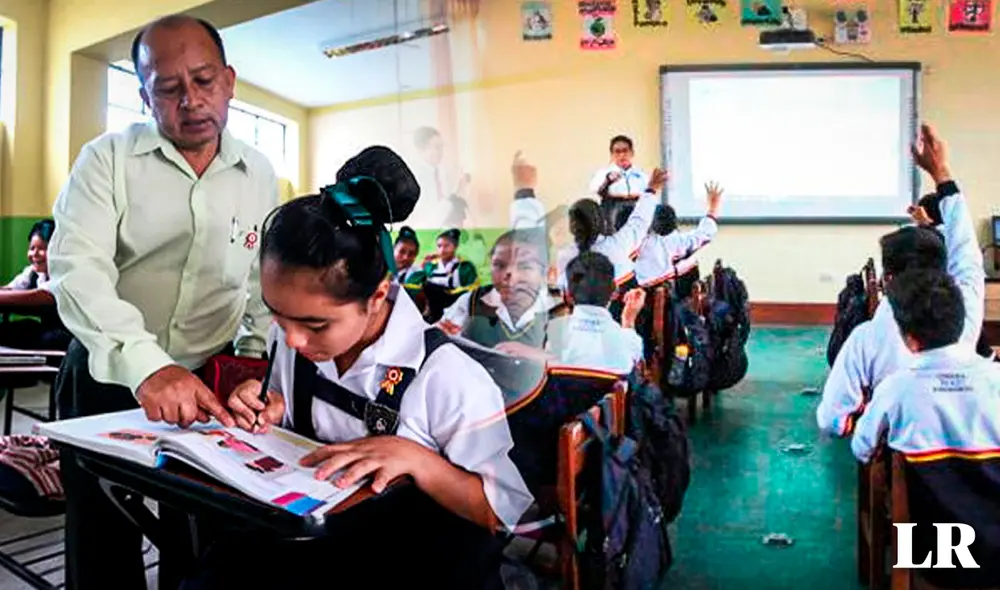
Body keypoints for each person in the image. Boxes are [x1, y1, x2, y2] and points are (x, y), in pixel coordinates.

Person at [188, 146, 532, 588]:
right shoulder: (294, 342)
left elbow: (499, 511)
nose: (291, 339)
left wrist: (418, 460)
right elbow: (288, 417)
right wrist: (268, 407)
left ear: (378, 296)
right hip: (321, 543)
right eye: (278, 314)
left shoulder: (446, 376)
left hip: (418, 564)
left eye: (315, 323)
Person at [46, 15, 278, 589]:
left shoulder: (259, 172)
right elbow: (78, 270)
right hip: (107, 374)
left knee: (203, 533)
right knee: (102, 537)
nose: (191, 101)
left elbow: (260, 290)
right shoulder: (106, 161)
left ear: (229, 80)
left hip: (211, 380)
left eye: (203, 81)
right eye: (169, 88)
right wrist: (150, 366)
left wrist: (264, 370)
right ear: (144, 94)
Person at [817, 124, 985, 438]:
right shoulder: (968, 307)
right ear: (943, 267)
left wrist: (872, 422)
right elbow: (966, 250)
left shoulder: (869, 336)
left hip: (902, 462)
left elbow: (834, 421)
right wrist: (941, 172)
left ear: (887, 280)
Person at [851, 269, 1000, 589]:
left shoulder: (897, 388)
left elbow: (862, 448)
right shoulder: (997, 379)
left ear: (908, 339)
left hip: (928, 551)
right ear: (963, 322)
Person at [439, 228, 553, 349]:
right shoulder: (471, 302)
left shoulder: (559, 310)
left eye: (524, 266)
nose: (509, 275)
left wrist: (540, 357)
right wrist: (441, 336)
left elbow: (569, 360)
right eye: (499, 265)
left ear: (545, 273)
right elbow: (444, 338)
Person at [555, 167, 666, 291]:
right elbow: (639, 222)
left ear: (571, 227)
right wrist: (651, 189)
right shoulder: (618, 245)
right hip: (626, 309)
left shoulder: (565, 256)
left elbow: (565, 292)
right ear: (603, 222)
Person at [544, 251, 647, 374]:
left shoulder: (553, 336)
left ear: (567, 295)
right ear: (614, 291)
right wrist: (628, 321)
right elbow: (637, 371)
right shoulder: (628, 341)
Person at [0, 219, 72, 351]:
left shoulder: (68, 274)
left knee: (51, 338)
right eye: (32, 248)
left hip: (69, 337)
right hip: (49, 331)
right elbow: (11, 290)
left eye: (42, 248)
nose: (34, 254)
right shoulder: (34, 272)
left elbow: (45, 296)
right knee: (18, 328)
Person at [634, 182, 721, 290]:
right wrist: (713, 207)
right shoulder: (679, 241)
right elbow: (705, 233)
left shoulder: (636, 243)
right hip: (670, 299)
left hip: (640, 298)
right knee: (689, 263)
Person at [588, 135, 650, 231]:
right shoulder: (603, 173)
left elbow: (648, 197)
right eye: (617, 152)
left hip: (636, 218)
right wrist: (607, 181)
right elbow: (595, 191)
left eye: (625, 151)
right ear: (612, 155)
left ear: (632, 153)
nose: (621, 155)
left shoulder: (642, 175)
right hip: (612, 218)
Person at [392, 225, 426, 295]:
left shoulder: (418, 274)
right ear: (393, 249)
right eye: (402, 251)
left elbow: (406, 293)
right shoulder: (381, 267)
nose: (406, 257)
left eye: (411, 254)